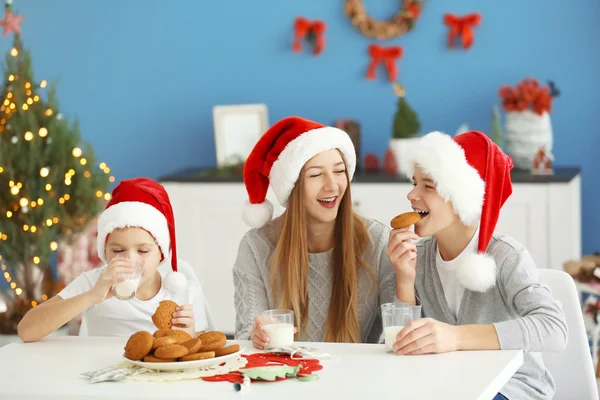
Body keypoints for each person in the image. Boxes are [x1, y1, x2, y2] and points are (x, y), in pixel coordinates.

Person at [387, 130, 568, 400]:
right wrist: (404, 279)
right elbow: (402, 348)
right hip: (446, 387)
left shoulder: (507, 256)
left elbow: (554, 328)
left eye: (428, 185)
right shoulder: (418, 257)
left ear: (462, 197)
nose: (412, 195)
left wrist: (456, 337)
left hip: (510, 388)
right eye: (414, 183)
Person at [233, 116, 398, 348]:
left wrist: (407, 278)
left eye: (339, 171)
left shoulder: (378, 240)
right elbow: (245, 336)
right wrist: (257, 334)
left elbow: (400, 337)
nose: (332, 185)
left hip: (360, 379)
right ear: (292, 187)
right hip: (288, 376)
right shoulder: (256, 247)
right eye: (315, 174)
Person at [18, 178, 208, 341]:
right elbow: (27, 331)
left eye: (142, 250)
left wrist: (189, 336)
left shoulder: (184, 292)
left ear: (162, 254)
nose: (131, 260)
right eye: (118, 250)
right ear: (105, 252)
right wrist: (92, 296)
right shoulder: (95, 282)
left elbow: (201, 351)